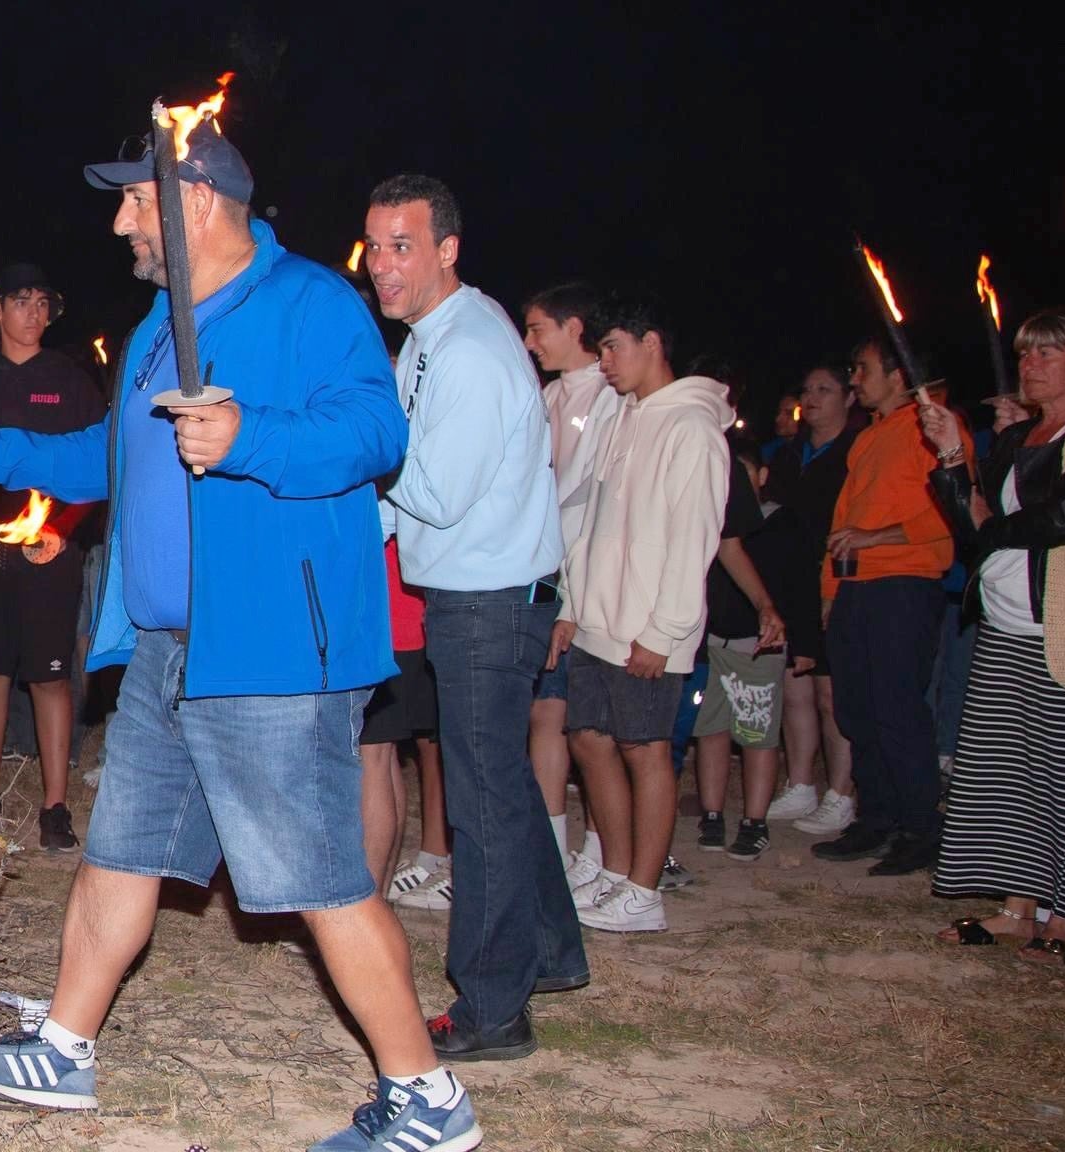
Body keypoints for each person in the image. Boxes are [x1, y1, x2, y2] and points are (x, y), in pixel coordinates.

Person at [0, 122, 481, 1152]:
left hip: (270, 649)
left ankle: (426, 1101)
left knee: (318, 877)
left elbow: (376, 435)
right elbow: (112, 463)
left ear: (192, 203)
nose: (117, 219)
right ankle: (63, 1046)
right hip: (165, 647)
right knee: (121, 851)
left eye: (133, 199)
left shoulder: (310, 302)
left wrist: (248, 438)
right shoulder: (154, 326)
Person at [366, 173, 586, 1060]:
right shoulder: (428, 339)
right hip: (472, 596)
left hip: (487, 604)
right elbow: (406, 497)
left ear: (448, 249)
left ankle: (494, 1008)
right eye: (375, 245)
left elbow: (434, 492)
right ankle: (555, 951)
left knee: (481, 802)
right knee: (500, 786)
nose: (382, 264)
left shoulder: (469, 350)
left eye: (403, 245)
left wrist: (349, 467)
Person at [926, 307, 1065, 965]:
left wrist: (988, 523)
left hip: (1064, 626)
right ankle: (1018, 907)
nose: (1030, 367)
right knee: (1005, 769)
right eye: (1025, 356)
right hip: (1004, 622)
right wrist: (953, 455)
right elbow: (970, 518)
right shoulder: (1019, 437)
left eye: (1045, 354)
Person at [551, 293, 730, 933]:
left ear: (651, 342)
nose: (604, 363)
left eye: (613, 348)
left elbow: (695, 539)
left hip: (649, 628)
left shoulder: (693, 428)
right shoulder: (624, 418)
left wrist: (664, 631)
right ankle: (614, 870)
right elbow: (591, 519)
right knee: (589, 741)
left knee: (646, 749)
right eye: (600, 351)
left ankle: (645, 890)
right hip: (599, 618)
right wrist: (572, 603)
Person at [0, 264, 105, 848]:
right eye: (20, 301)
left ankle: (55, 805)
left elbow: (99, 467)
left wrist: (62, 528)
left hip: (49, 546)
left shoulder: (70, 380)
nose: (34, 313)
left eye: (43, 302)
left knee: (49, 676)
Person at [811, 339, 965, 875]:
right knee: (856, 708)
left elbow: (952, 511)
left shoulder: (933, 428)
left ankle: (921, 827)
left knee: (899, 707)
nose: (855, 380)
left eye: (863, 370)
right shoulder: (869, 437)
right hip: (857, 591)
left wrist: (874, 538)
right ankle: (875, 818)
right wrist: (831, 592)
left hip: (905, 585)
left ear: (899, 375)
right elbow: (842, 519)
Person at [520, 281, 624, 892]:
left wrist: (570, 590)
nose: (530, 343)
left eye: (539, 329)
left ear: (575, 327)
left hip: (577, 577)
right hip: (543, 571)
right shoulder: (550, 394)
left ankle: (601, 853)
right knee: (547, 712)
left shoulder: (607, 399)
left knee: (583, 723)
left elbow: (584, 496)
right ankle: (555, 847)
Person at [758, 365, 864, 834]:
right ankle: (801, 784)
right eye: (808, 389)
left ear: (849, 397)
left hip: (834, 582)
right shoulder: (787, 455)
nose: (813, 398)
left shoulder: (855, 452)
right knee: (794, 690)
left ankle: (842, 791)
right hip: (789, 586)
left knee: (830, 692)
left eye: (825, 389)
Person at [690, 431, 788, 863]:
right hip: (708, 640)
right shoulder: (704, 524)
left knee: (756, 733)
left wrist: (786, 628)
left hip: (756, 643)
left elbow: (792, 590)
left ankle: (755, 820)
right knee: (709, 729)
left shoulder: (775, 528)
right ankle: (712, 814)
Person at [364, 536, 446, 905]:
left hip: (387, 615)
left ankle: (363, 905)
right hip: (393, 612)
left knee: (371, 757)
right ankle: (372, 898)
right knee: (380, 756)